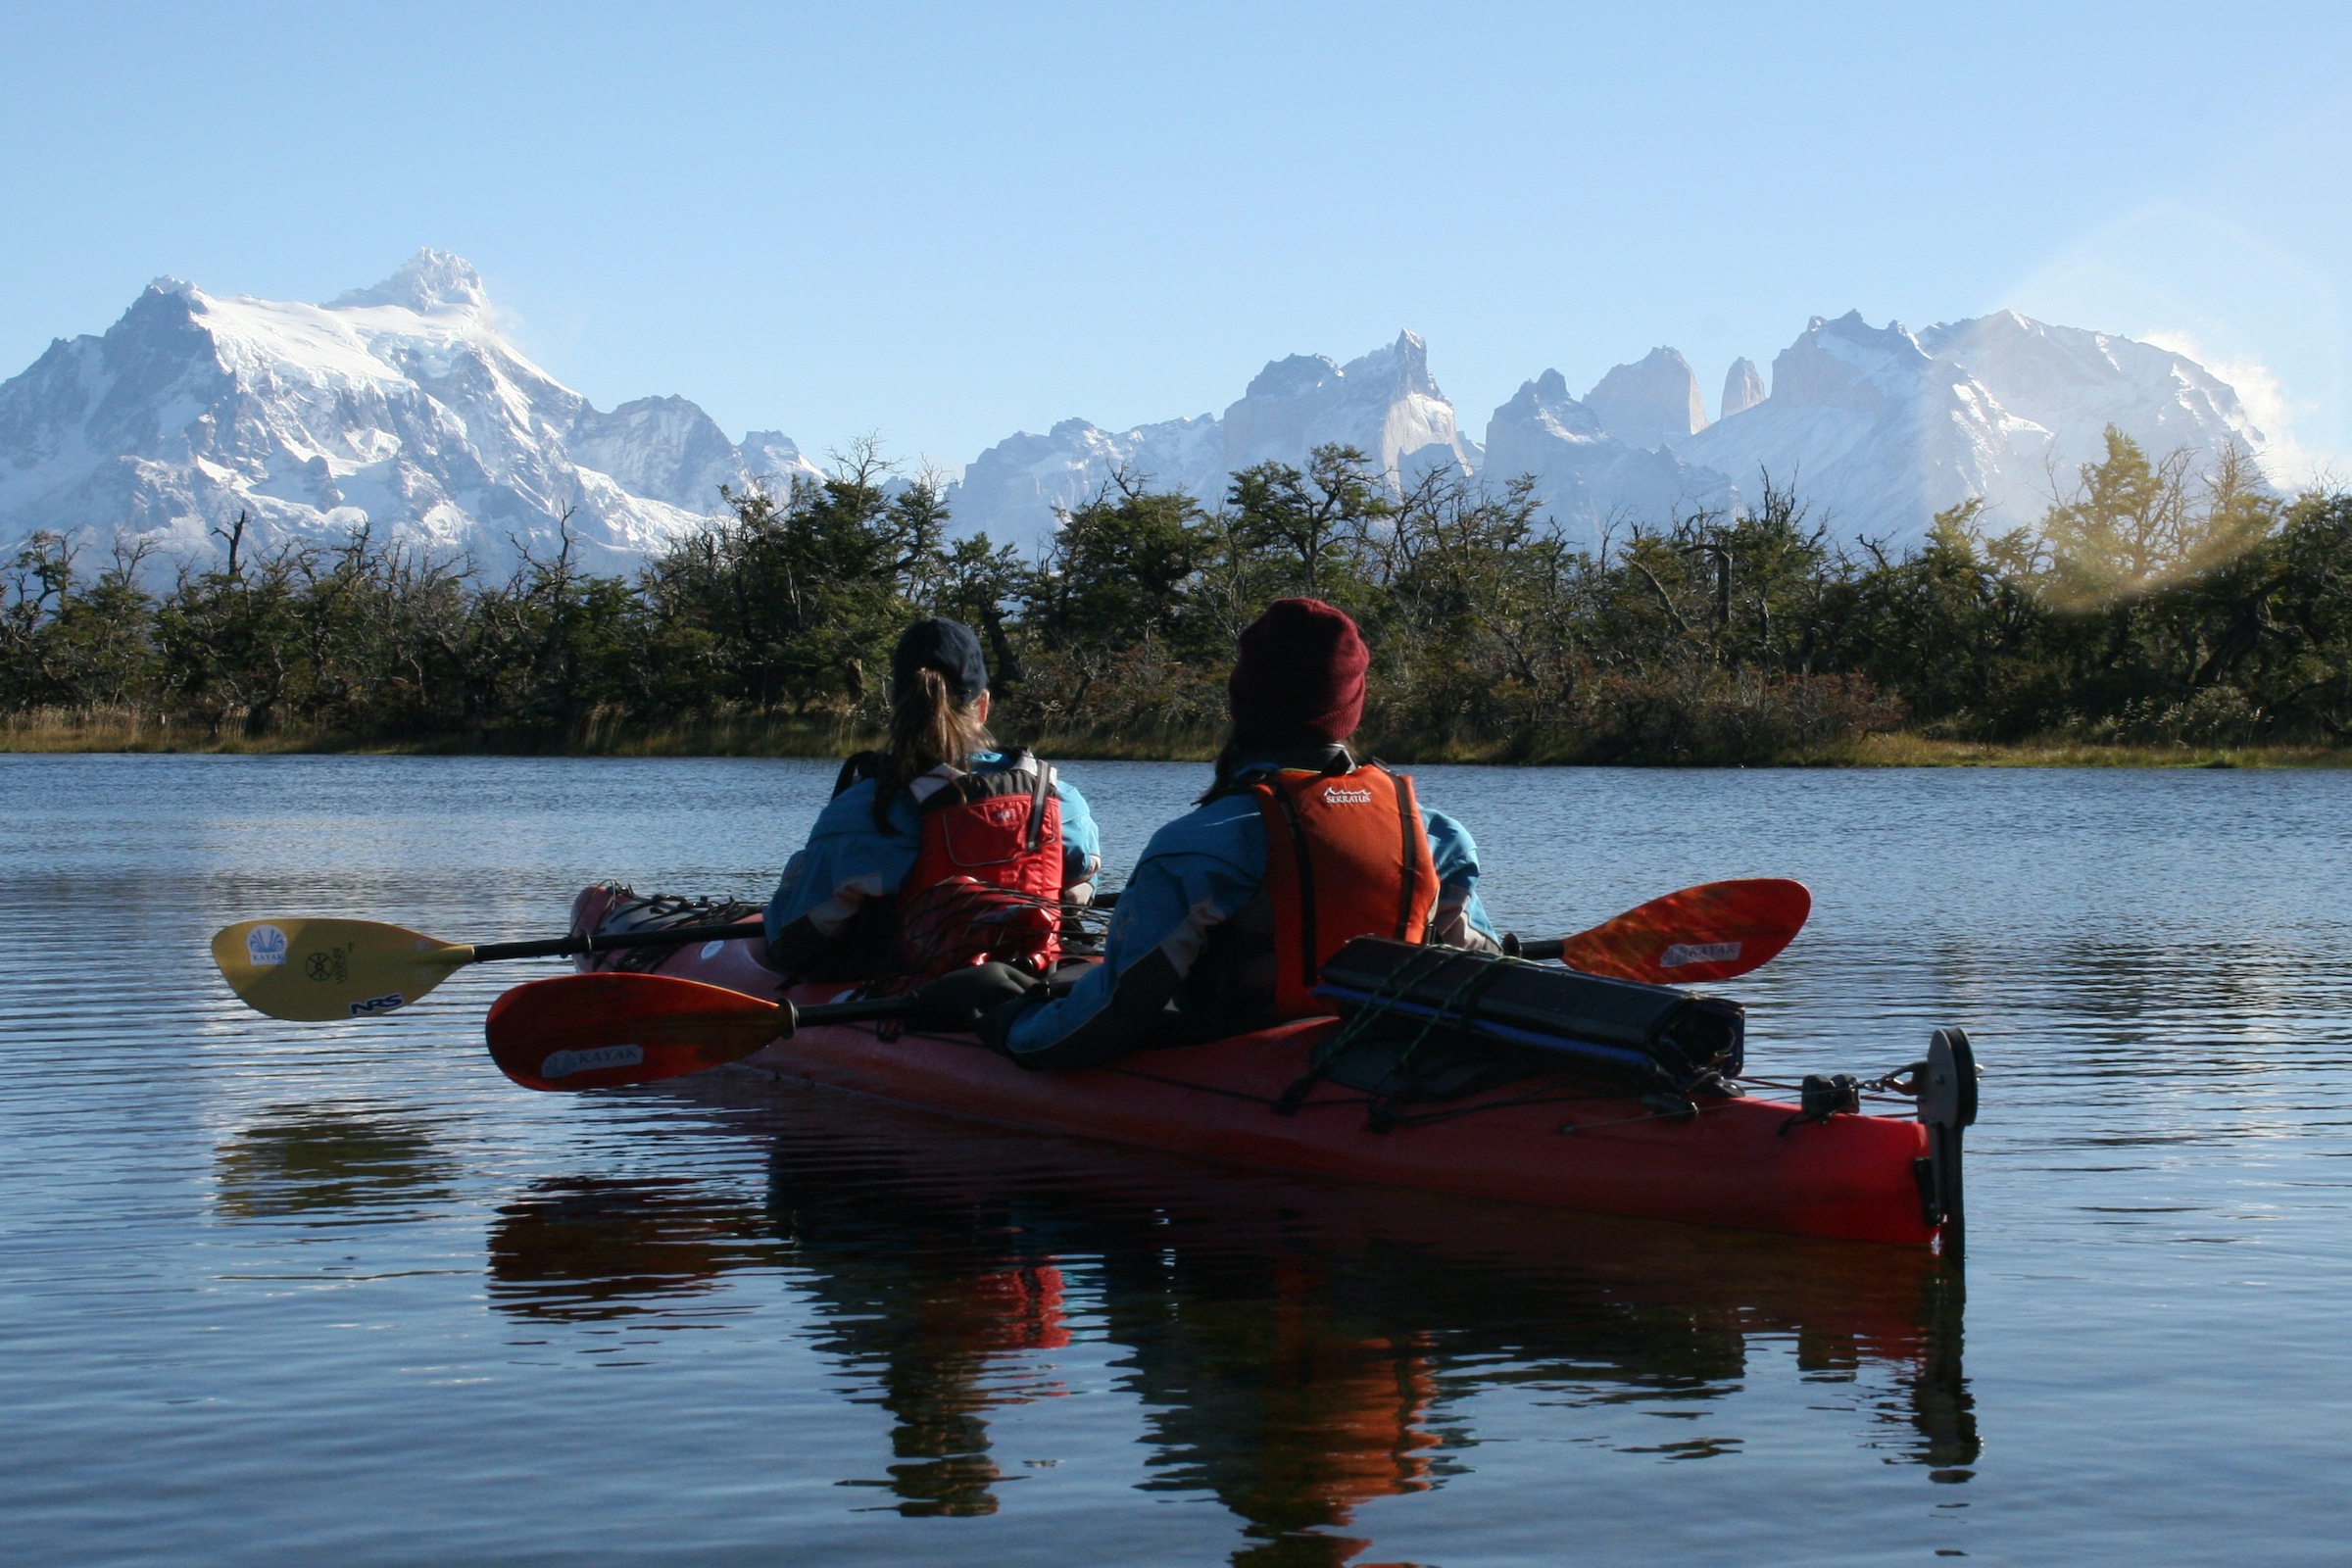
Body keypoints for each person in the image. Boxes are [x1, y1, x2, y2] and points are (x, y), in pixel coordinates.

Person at [978, 598, 1496, 1067]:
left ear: (1242, 705)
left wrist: (1005, 1024)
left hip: (1241, 1058)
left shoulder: (1198, 843)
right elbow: (1485, 969)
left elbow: (1118, 1008)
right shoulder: (1437, 835)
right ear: (1350, 710)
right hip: (1379, 1052)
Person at [763, 617, 1101, 981]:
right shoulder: (1058, 798)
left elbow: (797, 936)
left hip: (913, 990)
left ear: (897, 707)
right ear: (983, 705)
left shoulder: (863, 808)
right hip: (1034, 976)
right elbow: (1079, 893)